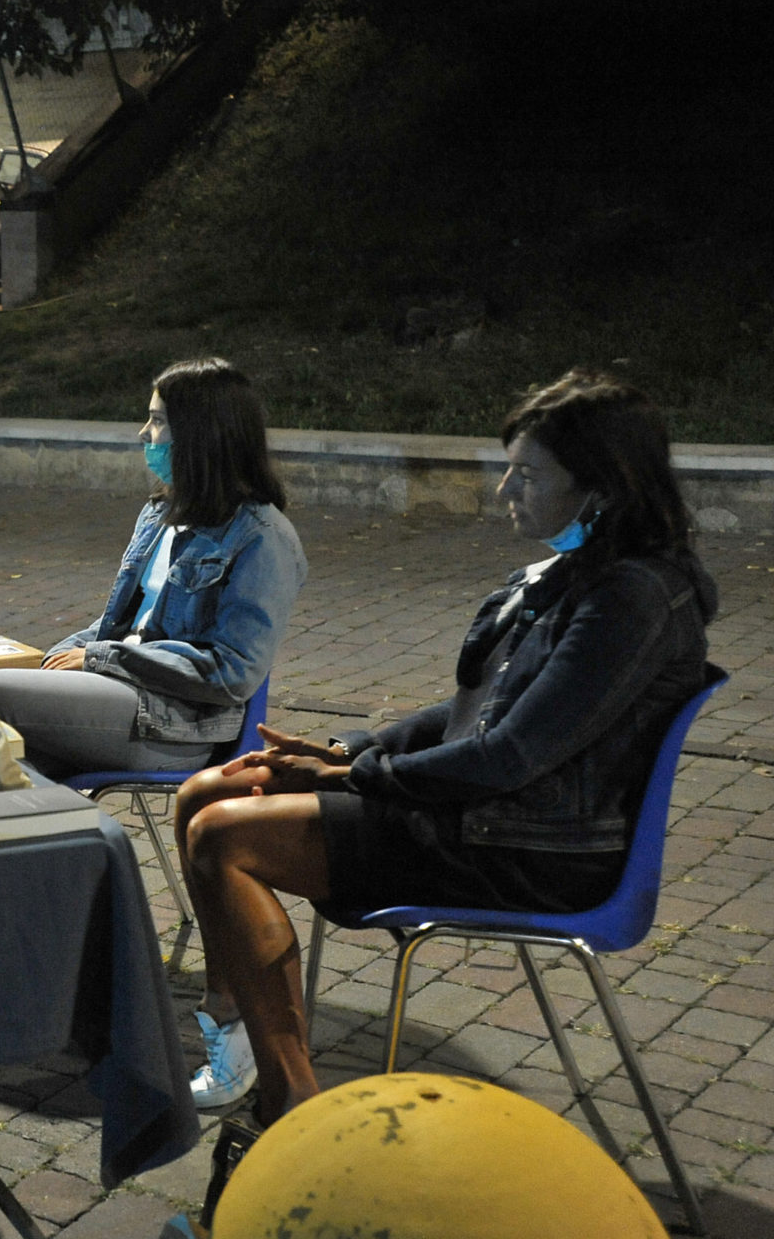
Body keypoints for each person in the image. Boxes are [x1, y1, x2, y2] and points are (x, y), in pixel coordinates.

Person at [175, 369, 717, 1127]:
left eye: (527, 474)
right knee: (206, 791)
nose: (506, 491)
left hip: (532, 846)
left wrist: (361, 775)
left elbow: (508, 754)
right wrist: (345, 749)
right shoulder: (582, 574)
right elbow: (473, 710)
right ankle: (240, 1032)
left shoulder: (629, 598)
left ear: (601, 485)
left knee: (222, 835)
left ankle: (287, 1096)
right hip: (491, 811)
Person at [0, 358, 306, 779]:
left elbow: (232, 674)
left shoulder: (263, 538)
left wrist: (98, 659)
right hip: (120, 694)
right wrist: (56, 658)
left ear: (199, 436)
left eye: (157, 421)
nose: (143, 433)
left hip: (176, 725)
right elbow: (122, 622)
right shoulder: (159, 514)